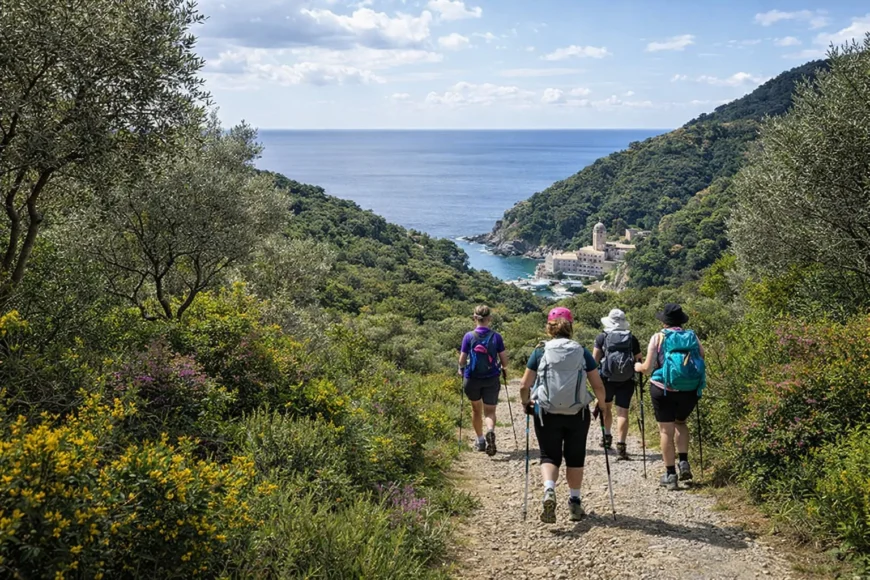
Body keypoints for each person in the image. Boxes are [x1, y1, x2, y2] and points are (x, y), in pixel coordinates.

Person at [519, 307, 607, 523]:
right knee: (575, 457)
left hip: (546, 412)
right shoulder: (582, 351)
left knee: (549, 455)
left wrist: (526, 403)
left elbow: (524, 385)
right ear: (571, 327)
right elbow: (597, 385)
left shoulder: (540, 351)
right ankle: (575, 504)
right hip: (578, 413)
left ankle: (549, 490)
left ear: (549, 328)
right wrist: (602, 405)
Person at [634, 303, 706, 490]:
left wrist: (637, 367)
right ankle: (684, 463)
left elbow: (648, 368)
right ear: (681, 321)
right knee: (680, 423)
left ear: (664, 321)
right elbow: (702, 357)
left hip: (663, 388)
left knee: (666, 430)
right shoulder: (692, 336)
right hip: (690, 389)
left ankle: (670, 474)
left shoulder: (658, 337)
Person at [592, 308, 642, 460]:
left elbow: (594, 360)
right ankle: (622, 445)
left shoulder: (602, 337)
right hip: (626, 380)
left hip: (606, 379)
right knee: (623, 412)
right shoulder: (632, 339)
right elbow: (639, 360)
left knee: (606, 407)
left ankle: (607, 437)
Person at [458, 305, 508, 456]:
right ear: (489, 319)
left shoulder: (469, 336)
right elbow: (505, 361)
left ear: (475, 318)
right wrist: (503, 369)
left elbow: (462, 360)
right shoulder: (496, 337)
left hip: (472, 379)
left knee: (475, 409)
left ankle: (480, 441)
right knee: (490, 411)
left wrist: (460, 369)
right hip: (491, 378)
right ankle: (490, 431)